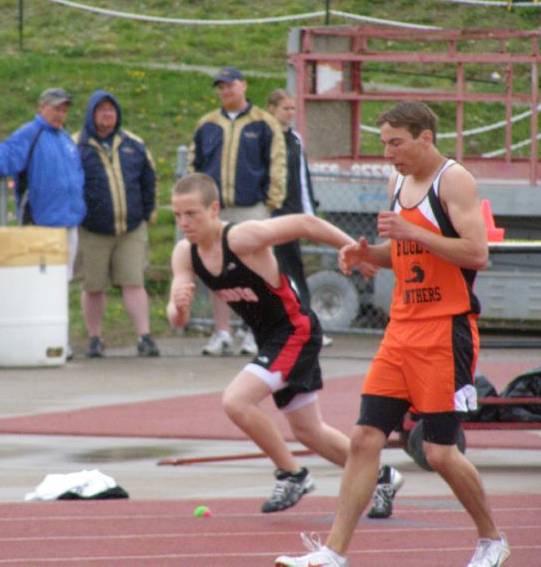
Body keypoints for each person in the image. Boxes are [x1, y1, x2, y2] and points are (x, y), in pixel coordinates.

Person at [276, 101, 509, 567]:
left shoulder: (454, 179)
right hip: (401, 328)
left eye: (396, 142)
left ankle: (491, 540)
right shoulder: (397, 180)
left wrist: (411, 232)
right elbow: (402, 250)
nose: (388, 153)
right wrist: (368, 255)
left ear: (425, 138)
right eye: (383, 143)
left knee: (440, 452)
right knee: (365, 438)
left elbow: (476, 253)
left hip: (445, 328)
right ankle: (333, 552)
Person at [167, 172, 402, 516]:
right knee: (309, 431)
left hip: (296, 330)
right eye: (177, 216)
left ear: (214, 209)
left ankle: (292, 474)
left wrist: (355, 250)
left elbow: (306, 223)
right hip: (271, 339)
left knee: (236, 400)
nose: (184, 222)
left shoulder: (243, 237)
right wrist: (180, 305)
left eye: (192, 214)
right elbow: (177, 319)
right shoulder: (186, 254)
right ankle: (382, 476)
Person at [0, 86, 85, 360]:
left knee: (62, 282)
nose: (62, 113)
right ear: (42, 107)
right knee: (43, 284)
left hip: (68, 221)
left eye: (65, 108)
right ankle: (45, 338)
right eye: (57, 107)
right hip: (41, 223)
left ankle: (60, 338)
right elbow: (7, 153)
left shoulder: (66, 139)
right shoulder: (31, 133)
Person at [189, 67, 287, 357]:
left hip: (251, 207)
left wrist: (270, 202)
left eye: (230, 85)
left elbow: (277, 163)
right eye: (220, 87)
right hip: (214, 210)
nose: (225, 91)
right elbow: (195, 166)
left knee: (255, 268)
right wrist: (197, 204)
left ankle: (255, 330)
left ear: (243, 86)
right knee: (216, 269)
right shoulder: (206, 124)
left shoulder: (264, 123)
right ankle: (222, 331)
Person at [73, 90, 160, 358]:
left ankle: (144, 337)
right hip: (92, 230)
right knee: (93, 286)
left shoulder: (134, 144)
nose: (107, 115)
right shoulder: (76, 145)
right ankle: (95, 338)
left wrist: (148, 214)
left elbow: (149, 181)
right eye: (101, 111)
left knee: (133, 282)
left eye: (111, 110)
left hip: (131, 229)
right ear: (91, 114)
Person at [267, 89, 332, 347]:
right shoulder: (265, 136)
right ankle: (260, 330)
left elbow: (302, 181)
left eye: (293, 109)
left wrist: (308, 216)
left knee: (293, 269)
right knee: (265, 272)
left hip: (290, 214)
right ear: (272, 109)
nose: (290, 114)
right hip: (268, 215)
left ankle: (308, 325)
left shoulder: (294, 139)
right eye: (286, 108)